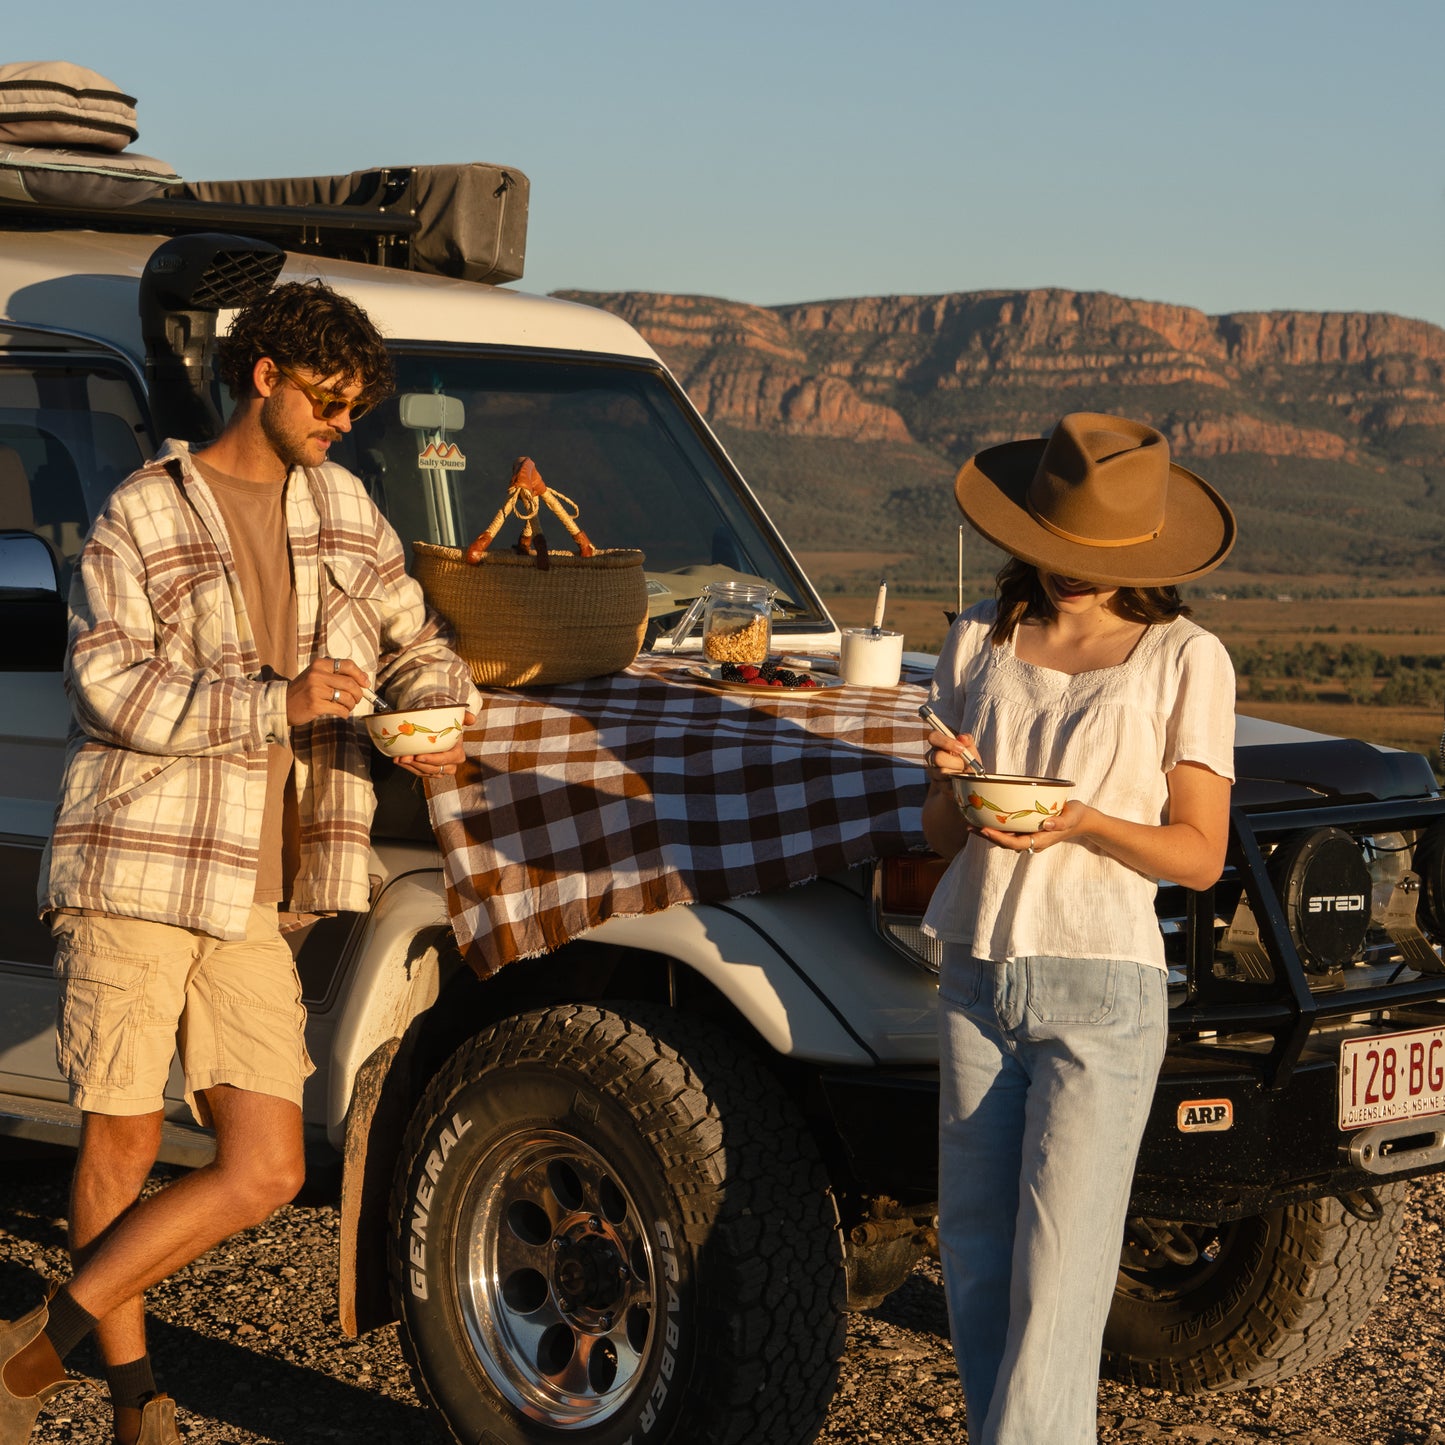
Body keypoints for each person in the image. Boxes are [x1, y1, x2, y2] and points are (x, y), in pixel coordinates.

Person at [0, 279, 478, 1445]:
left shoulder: (345, 507)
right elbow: (107, 686)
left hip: (259, 884)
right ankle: (132, 1395)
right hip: (140, 866)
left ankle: (29, 1351)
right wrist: (275, 702)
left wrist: (439, 707)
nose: (342, 422)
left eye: (356, 406)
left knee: (265, 1164)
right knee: (120, 1139)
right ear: (262, 375)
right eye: (327, 398)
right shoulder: (141, 512)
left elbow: (414, 631)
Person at [919, 412, 1237, 1445]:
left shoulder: (1184, 659)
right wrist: (948, 783)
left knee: (1056, 1285)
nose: (1064, 574)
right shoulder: (975, 636)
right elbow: (937, 833)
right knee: (972, 1262)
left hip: (1099, 991)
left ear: (1139, 553)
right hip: (974, 971)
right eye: (1049, 549)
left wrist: (1089, 820)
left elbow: (1195, 852)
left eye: (1086, 558)